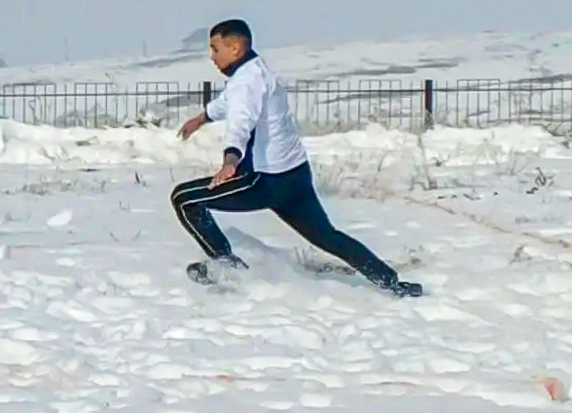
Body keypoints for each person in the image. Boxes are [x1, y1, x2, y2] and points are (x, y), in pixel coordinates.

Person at [174, 19, 422, 297]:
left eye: (215, 49)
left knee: (184, 200)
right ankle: (392, 283)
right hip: (295, 176)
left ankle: (226, 265)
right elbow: (229, 103)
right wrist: (202, 117)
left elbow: (240, 123)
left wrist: (231, 159)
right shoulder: (256, 72)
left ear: (235, 48)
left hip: (264, 181)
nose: (212, 57)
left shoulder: (246, 83)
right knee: (328, 237)